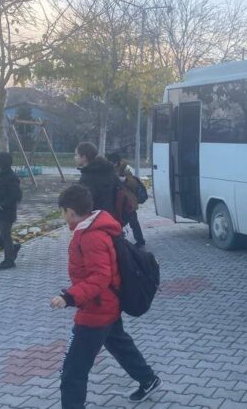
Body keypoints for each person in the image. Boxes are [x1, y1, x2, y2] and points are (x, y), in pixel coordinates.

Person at [51, 184, 162, 408]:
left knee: (72, 371)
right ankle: (148, 380)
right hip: (108, 305)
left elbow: (100, 277)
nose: (62, 217)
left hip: (96, 310)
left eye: (62, 212)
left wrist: (70, 297)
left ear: (70, 212)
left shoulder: (90, 237)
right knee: (119, 344)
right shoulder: (94, 226)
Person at [106, 152, 145, 248]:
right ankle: (123, 240)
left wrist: (124, 180)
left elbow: (134, 185)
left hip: (128, 201)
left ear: (116, 162)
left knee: (132, 221)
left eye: (111, 163)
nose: (110, 164)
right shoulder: (110, 169)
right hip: (118, 201)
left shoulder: (126, 169)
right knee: (124, 220)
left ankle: (139, 241)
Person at [75, 142, 117, 215]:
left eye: (76, 155)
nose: (75, 157)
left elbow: (85, 201)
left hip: (95, 217)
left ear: (84, 157)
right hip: (110, 214)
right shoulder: (107, 169)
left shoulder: (88, 176)